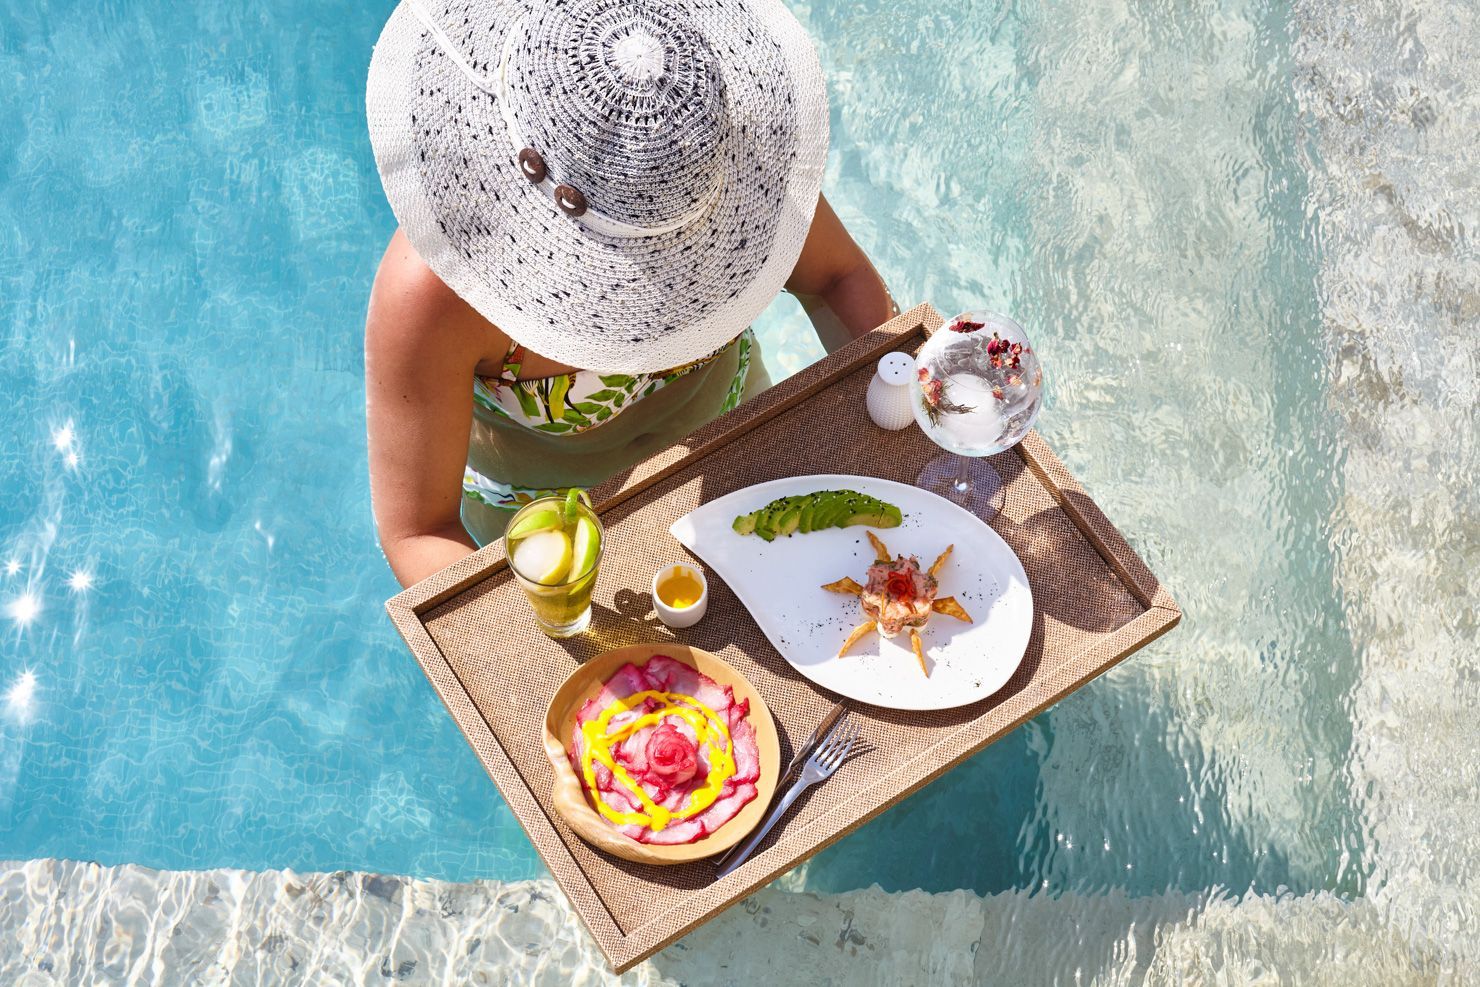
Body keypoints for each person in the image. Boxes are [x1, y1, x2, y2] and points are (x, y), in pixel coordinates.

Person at [364, 0, 895, 588]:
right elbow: (418, 529)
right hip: (562, 559)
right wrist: (535, 632)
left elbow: (835, 278)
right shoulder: (437, 290)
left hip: (739, 443)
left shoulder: (713, 155)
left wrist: (888, 429)